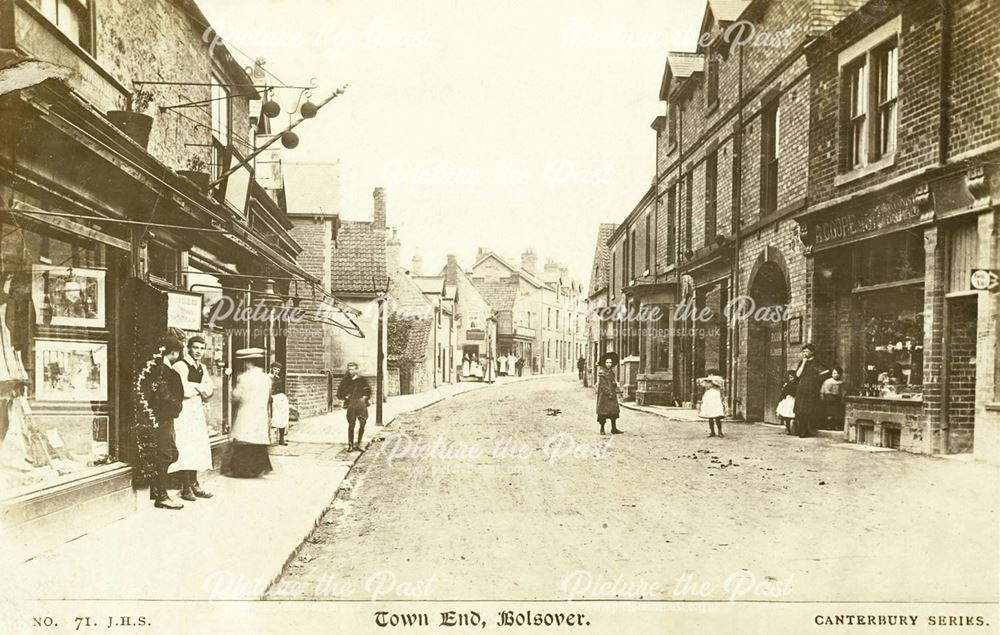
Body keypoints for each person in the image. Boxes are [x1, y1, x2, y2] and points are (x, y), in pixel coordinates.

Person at [169, 335, 214, 501]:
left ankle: (195, 484)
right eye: (196, 348)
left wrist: (196, 387)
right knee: (185, 446)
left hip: (196, 410)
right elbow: (183, 390)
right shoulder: (180, 366)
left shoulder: (202, 367)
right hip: (183, 411)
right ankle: (185, 486)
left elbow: (210, 390)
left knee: (197, 445)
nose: (199, 351)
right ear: (188, 348)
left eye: (202, 348)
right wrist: (199, 388)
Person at [144, 336, 185, 510]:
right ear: (174, 353)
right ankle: (161, 495)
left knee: (165, 453)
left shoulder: (152, 369)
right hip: (165, 419)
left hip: (152, 417)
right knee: (167, 454)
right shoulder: (170, 373)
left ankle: (157, 489)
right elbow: (176, 398)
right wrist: (175, 407)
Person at [225, 348, 273, 478]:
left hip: (247, 412)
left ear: (248, 362)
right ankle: (257, 468)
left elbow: (236, 396)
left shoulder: (244, 377)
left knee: (245, 440)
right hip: (260, 413)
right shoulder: (266, 378)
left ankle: (243, 469)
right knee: (257, 440)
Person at [793, 343, 830, 438]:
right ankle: (801, 430)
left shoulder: (817, 362)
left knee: (808, 410)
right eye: (803, 351)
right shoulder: (802, 362)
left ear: (812, 352)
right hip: (802, 387)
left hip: (811, 389)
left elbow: (826, 372)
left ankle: (806, 431)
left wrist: (816, 380)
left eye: (807, 351)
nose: (805, 353)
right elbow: (797, 375)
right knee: (800, 410)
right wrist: (804, 362)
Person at [336, 362, 371, 452]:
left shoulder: (362, 379)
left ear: (356, 369)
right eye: (349, 369)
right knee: (351, 425)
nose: (350, 371)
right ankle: (350, 444)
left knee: (363, 423)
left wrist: (364, 397)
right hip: (351, 404)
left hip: (361, 405)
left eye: (352, 369)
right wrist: (345, 397)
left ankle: (359, 443)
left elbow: (368, 391)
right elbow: (340, 392)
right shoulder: (346, 380)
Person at [596, 352, 622, 435]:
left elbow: (612, 382)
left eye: (610, 362)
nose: (608, 364)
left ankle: (614, 428)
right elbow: (603, 385)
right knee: (603, 413)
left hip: (612, 394)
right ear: (604, 363)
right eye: (607, 362)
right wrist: (609, 392)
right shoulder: (602, 373)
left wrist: (615, 384)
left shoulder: (611, 372)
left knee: (613, 412)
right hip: (604, 396)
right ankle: (602, 429)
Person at [697, 369, 726, 438]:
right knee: (710, 416)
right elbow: (702, 384)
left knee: (717, 415)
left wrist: (722, 397)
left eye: (711, 374)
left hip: (715, 398)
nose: (709, 376)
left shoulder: (718, 380)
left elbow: (720, 386)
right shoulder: (708, 382)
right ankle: (712, 432)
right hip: (709, 397)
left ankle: (720, 431)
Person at [270, 361, 290, 446]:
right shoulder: (268, 378)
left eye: (278, 370)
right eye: (275, 369)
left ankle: (281, 439)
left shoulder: (278, 378)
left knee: (283, 416)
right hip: (273, 398)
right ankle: (272, 439)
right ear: (271, 369)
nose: (276, 371)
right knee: (275, 417)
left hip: (280, 399)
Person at [776, 370, 798, 435]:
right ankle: (788, 429)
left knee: (793, 415)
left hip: (793, 400)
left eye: (792, 377)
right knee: (786, 416)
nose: (791, 379)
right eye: (790, 378)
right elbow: (784, 393)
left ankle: (794, 430)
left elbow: (795, 393)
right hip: (788, 401)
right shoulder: (787, 384)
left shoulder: (796, 384)